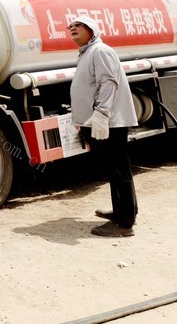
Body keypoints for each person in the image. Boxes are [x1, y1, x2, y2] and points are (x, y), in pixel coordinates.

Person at [68, 15, 139, 237]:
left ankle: (124, 223)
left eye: (78, 25)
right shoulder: (87, 53)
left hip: (109, 122)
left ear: (92, 29)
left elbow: (108, 82)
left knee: (118, 169)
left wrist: (101, 113)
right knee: (112, 169)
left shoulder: (101, 51)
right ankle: (122, 211)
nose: (72, 27)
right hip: (98, 122)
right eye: (70, 26)